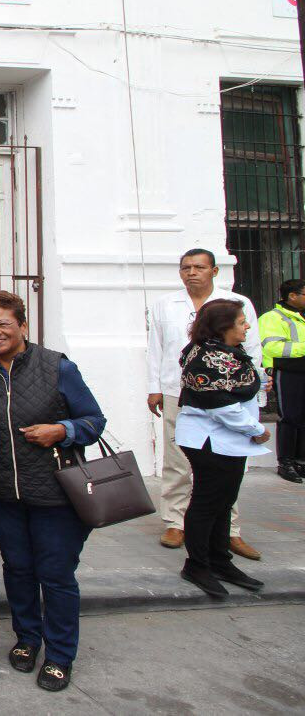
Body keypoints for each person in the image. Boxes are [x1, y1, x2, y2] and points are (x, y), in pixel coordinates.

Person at [0, 291, 107, 693]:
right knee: (18, 568)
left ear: (23, 325)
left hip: (55, 493)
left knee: (56, 574)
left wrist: (62, 430)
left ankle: (60, 654)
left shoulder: (56, 367)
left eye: (3, 323)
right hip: (1, 494)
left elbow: (94, 420)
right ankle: (28, 638)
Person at [146, 248, 262, 560]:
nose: (191, 273)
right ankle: (175, 521)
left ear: (214, 271)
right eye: (186, 267)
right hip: (178, 390)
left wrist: (250, 388)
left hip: (226, 394)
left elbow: (252, 349)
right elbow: (156, 348)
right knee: (176, 458)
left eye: (199, 267)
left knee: (228, 461)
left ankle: (229, 529)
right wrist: (154, 388)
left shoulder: (236, 303)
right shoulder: (165, 304)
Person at [175, 298, 271, 599]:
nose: (247, 326)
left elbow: (240, 386)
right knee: (207, 503)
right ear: (223, 326)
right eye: (241, 322)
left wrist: (259, 384)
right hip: (210, 441)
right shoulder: (207, 358)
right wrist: (257, 430)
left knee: (224, 501)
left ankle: (220, 561)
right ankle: (197, 565)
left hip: (230, 442)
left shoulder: (228, 353)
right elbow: (221, 406)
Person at [259, 279, 305, 483]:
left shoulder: (301, 316)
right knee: (290, 417)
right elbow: (273, 348)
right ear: (292, 296)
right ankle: (286, 462)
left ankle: (301, 461)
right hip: (288, 373)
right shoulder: (272, 318)